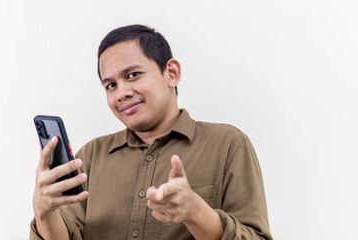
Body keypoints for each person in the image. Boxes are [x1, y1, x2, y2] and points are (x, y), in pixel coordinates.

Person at [30, 24, 272, 240]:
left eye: (133, 75)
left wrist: (196, 212)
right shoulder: (90, 156)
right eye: (111, 85)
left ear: (172, 73)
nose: (121, 93)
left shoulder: (228, 144)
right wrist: (44, 212)